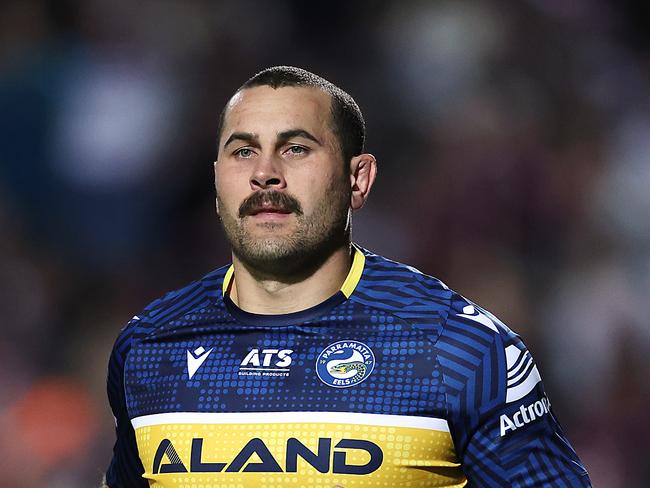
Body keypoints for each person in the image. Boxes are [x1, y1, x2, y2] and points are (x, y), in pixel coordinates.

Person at [104, 66, 592, 487]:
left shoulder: (457, 350)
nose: (266, 174)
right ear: (216, 178)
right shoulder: (149, 347)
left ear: (357, 179)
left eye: (296, 149)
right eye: (243, 151)